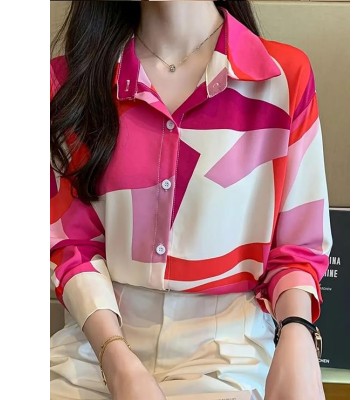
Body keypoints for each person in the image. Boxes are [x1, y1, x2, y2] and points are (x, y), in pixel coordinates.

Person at [50, 1, 332, 399]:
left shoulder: (282, 78)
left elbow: (297, 248)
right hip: (93, 343)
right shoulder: (69, 82)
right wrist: (116, 358)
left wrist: (297, 334)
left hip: (229, 351)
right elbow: (68, 244)